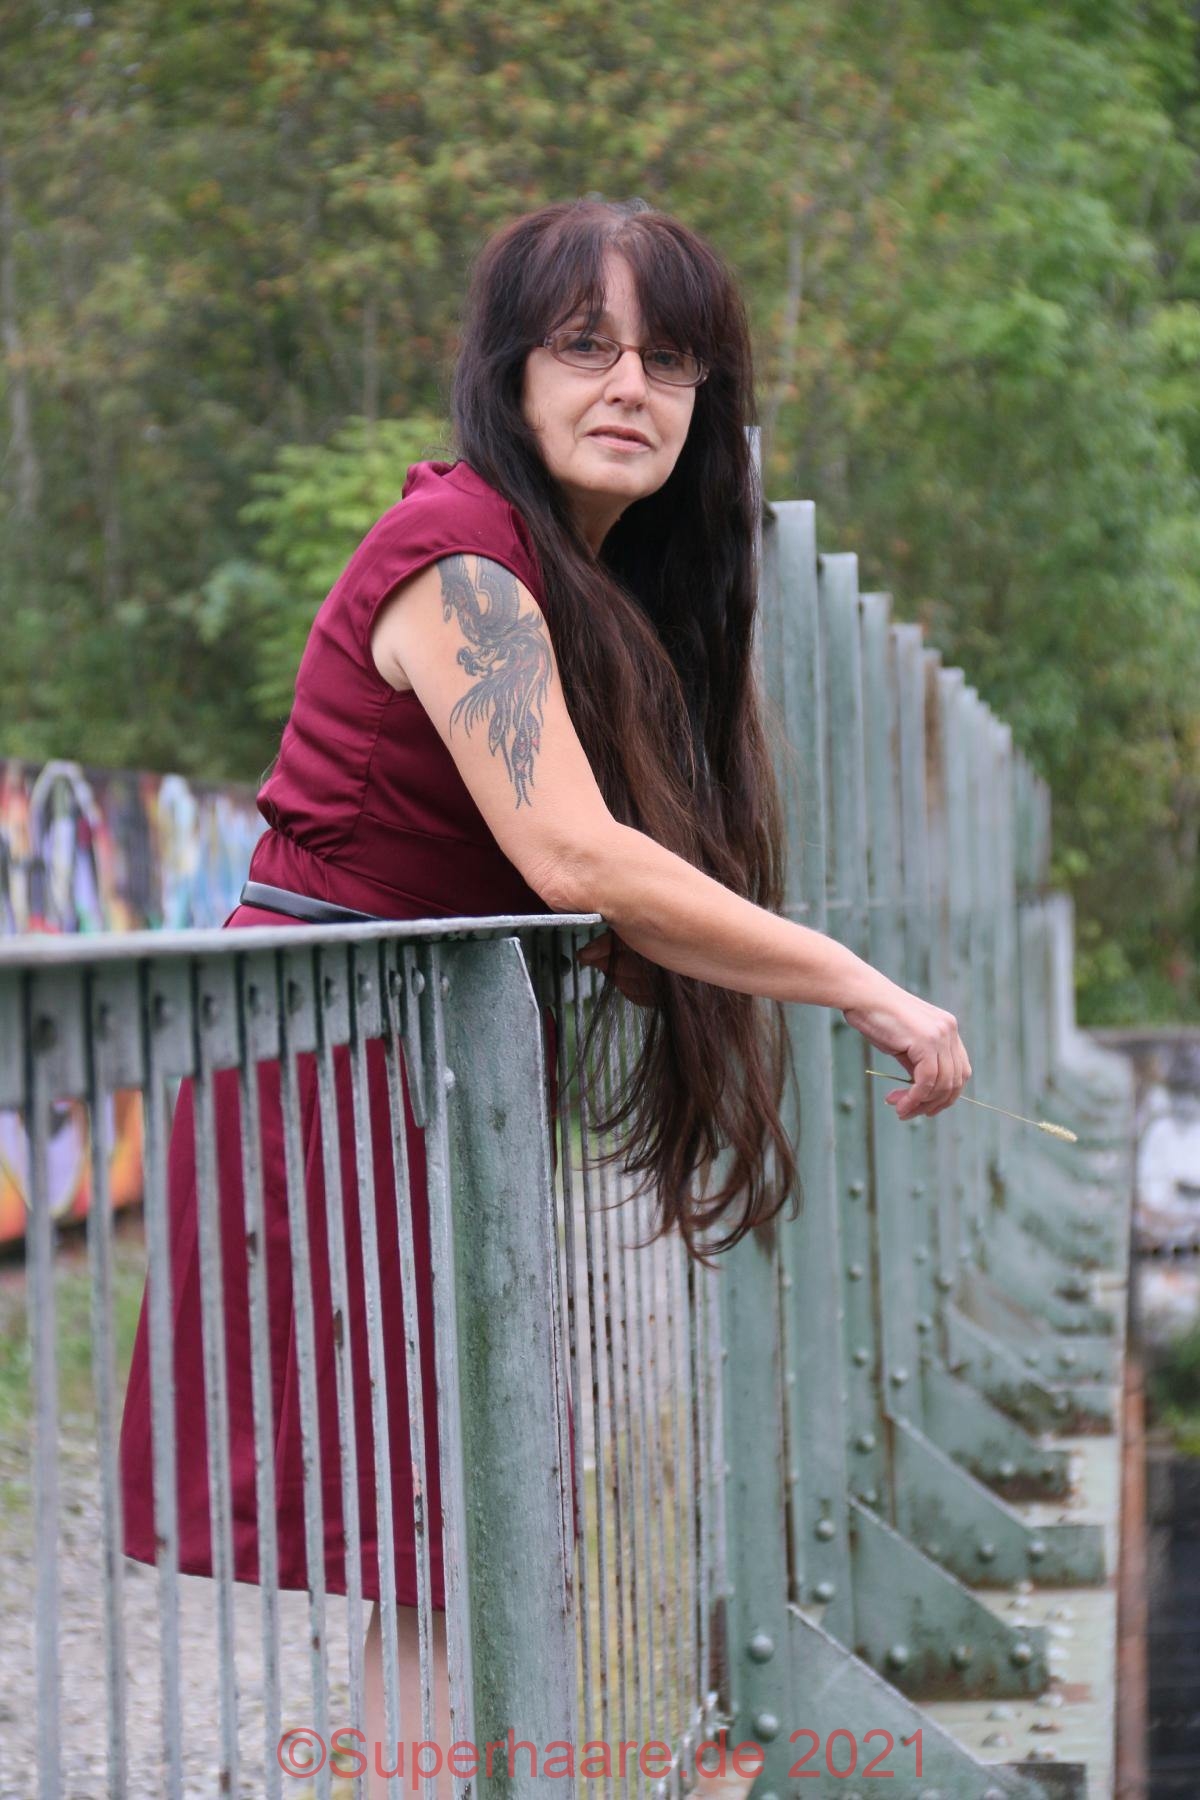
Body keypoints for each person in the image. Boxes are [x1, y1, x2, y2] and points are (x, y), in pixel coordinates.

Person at [118, 197, 970, 1797]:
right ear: (508, 373)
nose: (629, 385)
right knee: (452, 1535)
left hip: (405, 1075)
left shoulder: (570, 580)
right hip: (329, 1080)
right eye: (585, 346)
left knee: (461, 1538)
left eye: (668, 357)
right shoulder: (457, 564)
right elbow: (574, 853)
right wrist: (861, 983)